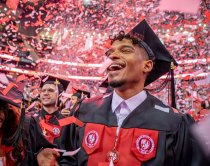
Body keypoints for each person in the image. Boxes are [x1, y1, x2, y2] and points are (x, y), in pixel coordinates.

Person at [37, 20, 208, 165]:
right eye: (110, 53)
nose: (113, 56)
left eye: (125, 51)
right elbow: (64, 158)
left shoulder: (174, 123)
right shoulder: (82, 111)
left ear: (147, 66)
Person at [22, 75, 83, 166]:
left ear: (60, 95)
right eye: (43, 90)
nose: (45, 93)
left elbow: (72, 155)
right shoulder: (30, 119)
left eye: (50, 90)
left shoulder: (69, 123)